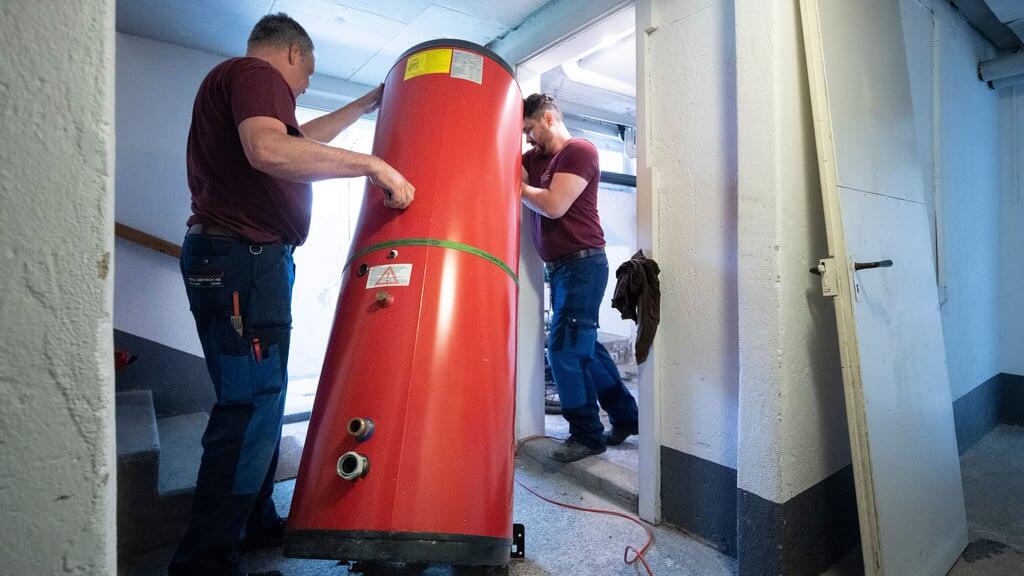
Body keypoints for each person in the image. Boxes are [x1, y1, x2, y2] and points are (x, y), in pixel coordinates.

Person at [170, 13, 414, 576]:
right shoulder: (257, 75)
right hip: (244, 262)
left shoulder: (237, 85)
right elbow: (271, 150)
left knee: (261, 402)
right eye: (306, 77)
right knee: (249, 409)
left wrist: (365, 105)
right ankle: (204, 563)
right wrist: (373, 166)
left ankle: (253, 524)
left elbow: (298, 139)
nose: (301, 90)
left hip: (237, 260)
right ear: (293, 55)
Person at [520, 93, 639, 463]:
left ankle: (587, 435)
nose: (527, 138)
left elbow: (554, 206)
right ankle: (627, 417)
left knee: (563, 352)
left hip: (583, 265)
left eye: (530, 129)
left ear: (549, 118)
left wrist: (517, 187)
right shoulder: (534, 158)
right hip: (560, 269)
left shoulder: (579, 151)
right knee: (586, 349)